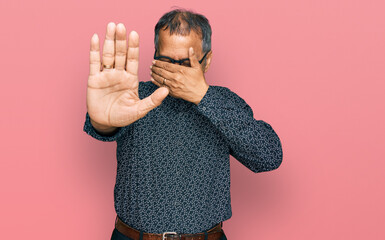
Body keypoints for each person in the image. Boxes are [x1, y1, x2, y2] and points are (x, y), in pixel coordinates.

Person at [83, 8, 283, 240]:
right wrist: (102, 121)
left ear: (206, 61)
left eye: (186, 63)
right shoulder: (132, 96)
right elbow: (105, 125)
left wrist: (204, 96)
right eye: (166, 61)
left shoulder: (224, 102)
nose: (175, 72)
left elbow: (269, 156)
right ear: (155, 54)